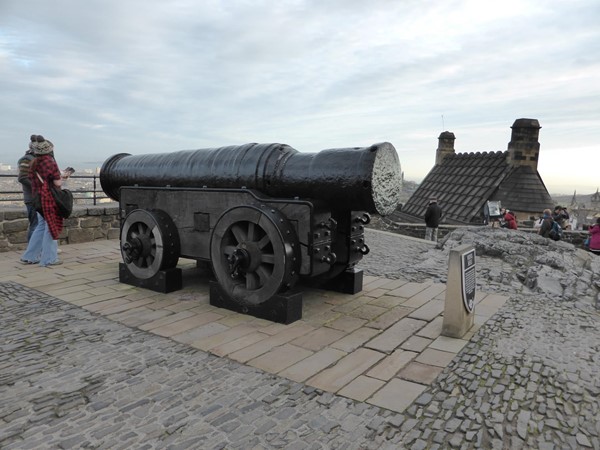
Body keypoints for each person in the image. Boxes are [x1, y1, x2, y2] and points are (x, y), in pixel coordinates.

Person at [20, 135, 64, 267]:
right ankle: (49, 259)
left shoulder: (33, 162)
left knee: (40, 226)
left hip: (37, 197)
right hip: (48, 198)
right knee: (50, 227)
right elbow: (56, 182)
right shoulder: (50, 162)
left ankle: (30, 256)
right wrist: (63, 178)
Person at [17, 135, 39, 241]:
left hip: (37, 196)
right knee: (35, 224)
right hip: (32, 197)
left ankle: (39, 248)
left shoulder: (35, 158)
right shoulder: (27, 159)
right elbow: (22, 178)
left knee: (39, 225)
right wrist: (39, 186)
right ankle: (32, 250)